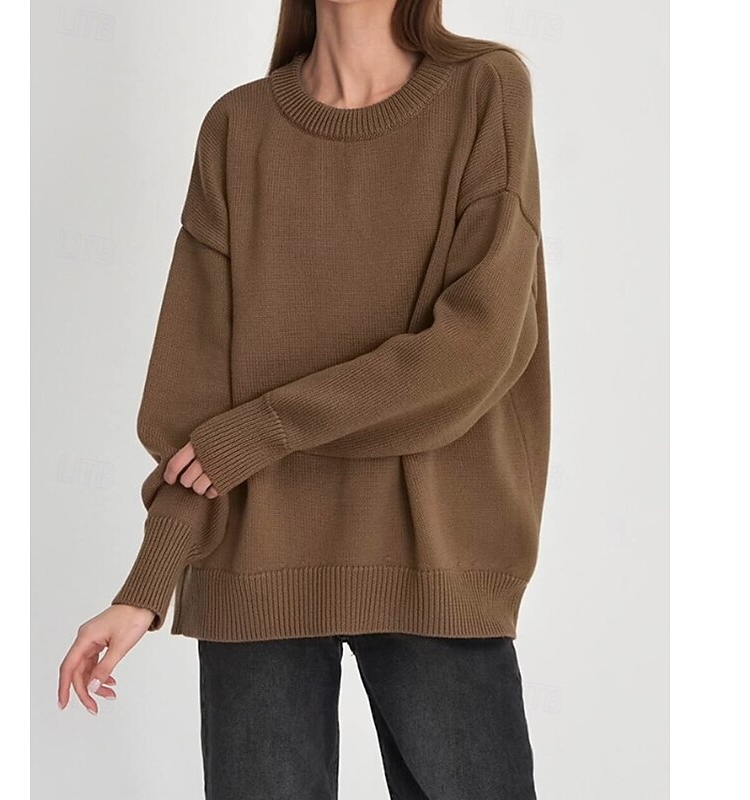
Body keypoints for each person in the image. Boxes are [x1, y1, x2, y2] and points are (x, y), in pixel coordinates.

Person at [58, 1, 551, 797]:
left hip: (433, 562)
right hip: (253, 563)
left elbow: (477, 346)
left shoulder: (486, 90)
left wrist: (268, 429)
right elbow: (194, 413)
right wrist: (146, 585)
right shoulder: (238, 129)